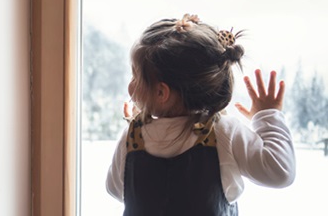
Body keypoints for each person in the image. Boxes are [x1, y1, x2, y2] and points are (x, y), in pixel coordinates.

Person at [105, 14, 296, 215]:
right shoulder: (223, 132)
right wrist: (267, 116)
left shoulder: (132, 138)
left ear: (161, 93)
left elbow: (116, 189)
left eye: (135, 76)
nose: (130, 85)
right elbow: (279, 172)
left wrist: (140, 126)